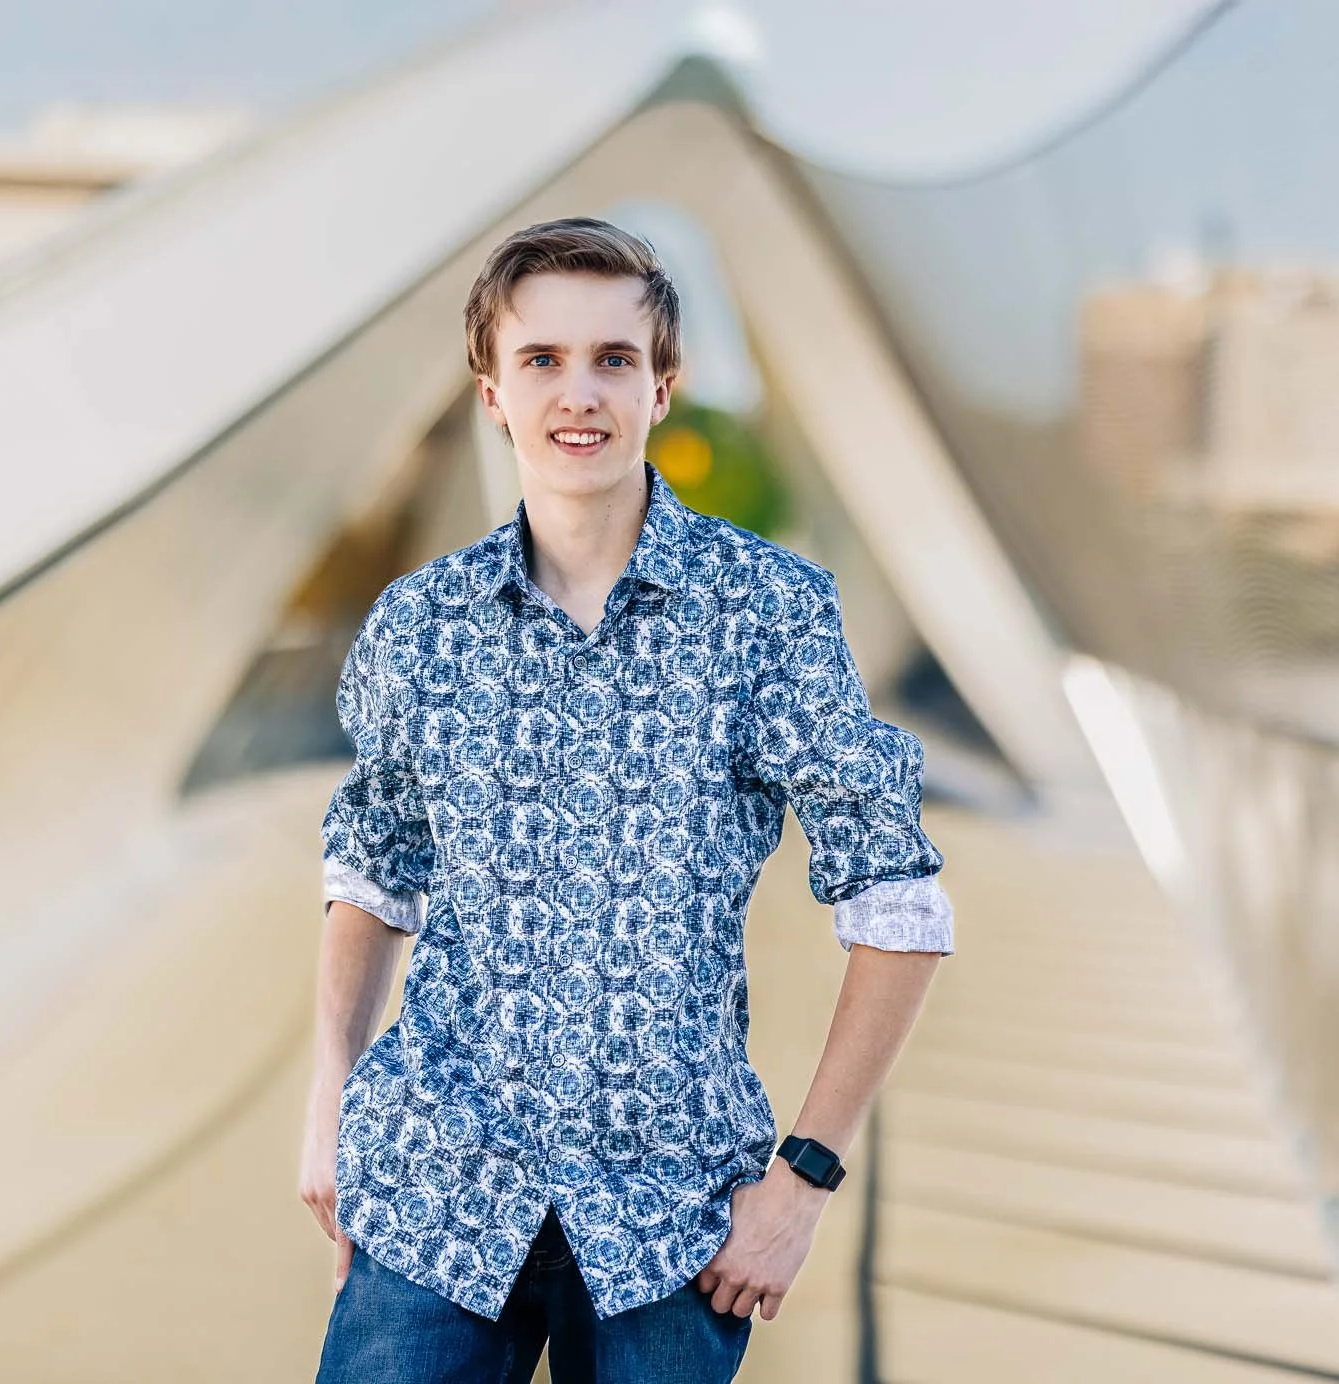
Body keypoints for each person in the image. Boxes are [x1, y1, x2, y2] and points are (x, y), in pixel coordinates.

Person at [299, 216, 954, 1384]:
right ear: (491, 393)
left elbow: (896, 903)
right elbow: (373, 867)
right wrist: (327, 1105)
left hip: (673, 1215)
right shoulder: (421, 623)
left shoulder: (769, 611)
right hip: (437, 1187)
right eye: (541, 360)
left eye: (612, 359)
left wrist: (800, 1182)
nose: (577, 394)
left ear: (663, 388)